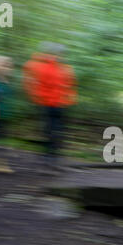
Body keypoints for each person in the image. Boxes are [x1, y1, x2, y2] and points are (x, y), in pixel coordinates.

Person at [23, 42, 77, 170]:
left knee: (50, 129)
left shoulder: (34, 64)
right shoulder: (62, 67)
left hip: (51, 103)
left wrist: (34, 97)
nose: (61, 56)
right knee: (54, 130)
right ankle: (51, 156)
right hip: (54, 103)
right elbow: (70, 85)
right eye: (60, 53)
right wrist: (69, 99)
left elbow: (28, 83)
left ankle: (50, 155)